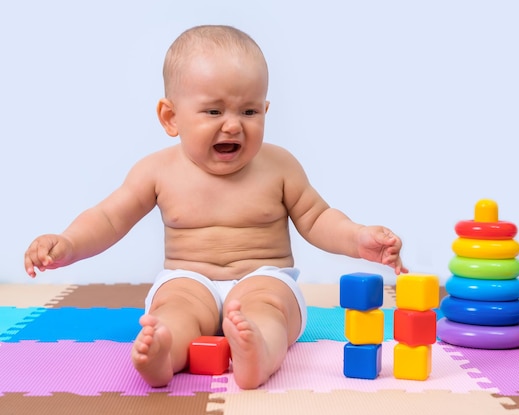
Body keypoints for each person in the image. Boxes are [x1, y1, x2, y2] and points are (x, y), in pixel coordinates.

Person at [23, 25, 407, 390]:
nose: (233, 126)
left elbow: (318, 218)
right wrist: (68, 243)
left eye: (249, 111)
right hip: (190, 280)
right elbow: (109, 217)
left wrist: (358, 238)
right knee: (173, 310)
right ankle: (162, 354)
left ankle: (259, 352)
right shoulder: (157, 171)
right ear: (171, 117)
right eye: (213, 111)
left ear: (266, 110)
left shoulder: (280, 166)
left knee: (271, 307)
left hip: (262, 275)